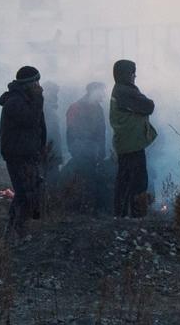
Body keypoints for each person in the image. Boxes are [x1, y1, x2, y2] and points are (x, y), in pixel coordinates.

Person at [0, 66, 47, 236]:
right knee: (24, 195)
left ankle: (16, 231)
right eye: (36, 82)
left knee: (28, 193)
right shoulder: (15, 102)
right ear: (29, 84)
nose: (39, 86)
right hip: (18, 155)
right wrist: (39, 99)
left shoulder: (24, 99)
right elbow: (31, 121)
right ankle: (16, 231)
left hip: (26, 153)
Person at [109, 60, 156, 217]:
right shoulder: (125, 91)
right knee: (138, 183)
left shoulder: (120, 90)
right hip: (132, 145)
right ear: (125, 74)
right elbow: (149, 106)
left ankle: (121, 215)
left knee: (124, 181)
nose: (135, 76)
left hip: (126, 143)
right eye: (132, 72)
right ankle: (136, 217)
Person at [65, 81, 111, 214]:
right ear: (93, 91)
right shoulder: (76, 107)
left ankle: (89, 209)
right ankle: (84, 210)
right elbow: (71, 131)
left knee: (91, 180)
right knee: (86, 180)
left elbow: (101, 133)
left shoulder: (98, 108)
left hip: (93, 152)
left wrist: (101, 151)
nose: (103, 94)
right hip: (82, 151)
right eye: (102, 91)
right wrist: (76, 149)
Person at [41, 82, 64, 183]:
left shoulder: (49, 108)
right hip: (48, 152)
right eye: (53, 92)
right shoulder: (45, 108)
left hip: (51, 151)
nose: (56, 95)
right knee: (50, 181)